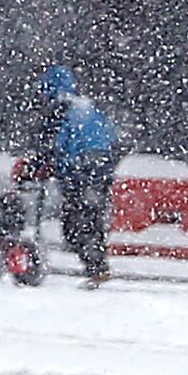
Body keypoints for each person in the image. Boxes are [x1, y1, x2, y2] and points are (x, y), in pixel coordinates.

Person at [39, 65, 124, 285]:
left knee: (76, 224)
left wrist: (51, 165)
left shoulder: (60, 110)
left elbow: (55, 146)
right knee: (90, 221)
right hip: (98, 174)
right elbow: (113, 140)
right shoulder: (89, 111)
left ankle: (96, 267)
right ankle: (96, 265)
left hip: (79, 175)